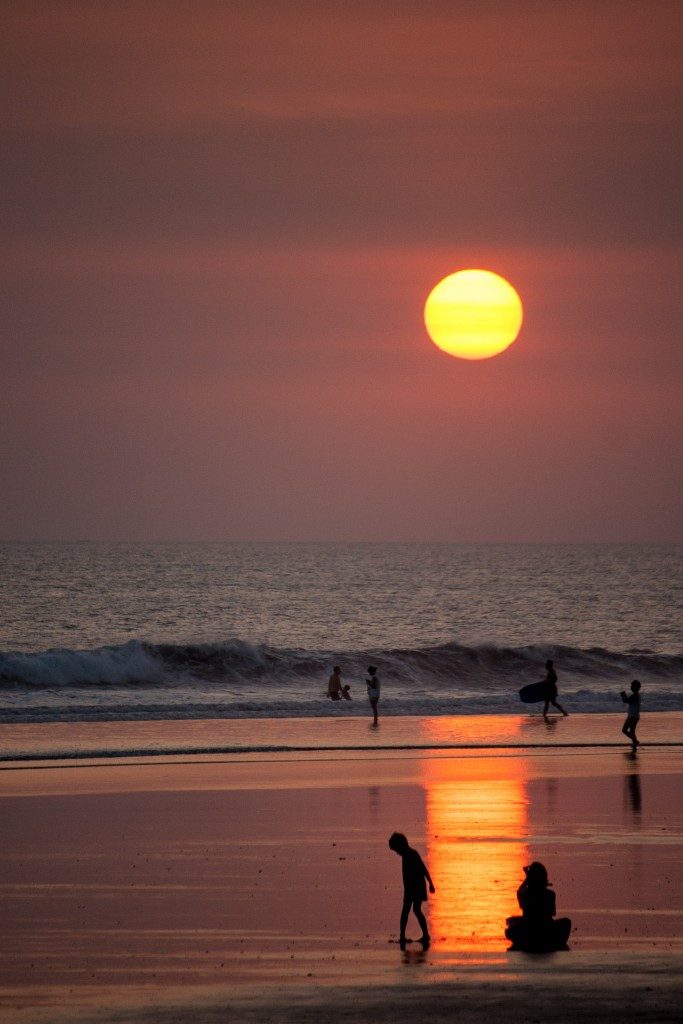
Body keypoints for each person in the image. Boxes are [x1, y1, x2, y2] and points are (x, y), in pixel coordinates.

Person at [505, 861, 571, 952]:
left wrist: (527, 878)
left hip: (530, 930)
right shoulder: (550, 894)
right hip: (546, 930)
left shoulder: (525, 893)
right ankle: (555, 941)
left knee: (512, 922)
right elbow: (553, 913)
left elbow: (519, 890)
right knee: (566, 922)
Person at [388, 832, 435, 950]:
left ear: (401, 845)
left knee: (411, 910)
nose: (397, 853)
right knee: (411, 911)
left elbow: (423, 869)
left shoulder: (412, 854)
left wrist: (431, 883)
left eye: (396, 850)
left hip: (416, 888)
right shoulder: (406, 855)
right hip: (410, 888)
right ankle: (413, 935)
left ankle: (423, 935)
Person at [620, 679, 642, 749]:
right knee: (628, 731)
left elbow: (626, 701)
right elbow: (627, 701)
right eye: (631, 686)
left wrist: (623, 695)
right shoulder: (636, 695)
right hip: (632, 716)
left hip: (633, 716)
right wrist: (624, 696)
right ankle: (635, 742)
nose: (631, 687)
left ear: (636, 688)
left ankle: (635, 742)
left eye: (632, 686)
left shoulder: (635, 695)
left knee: (626, 730)